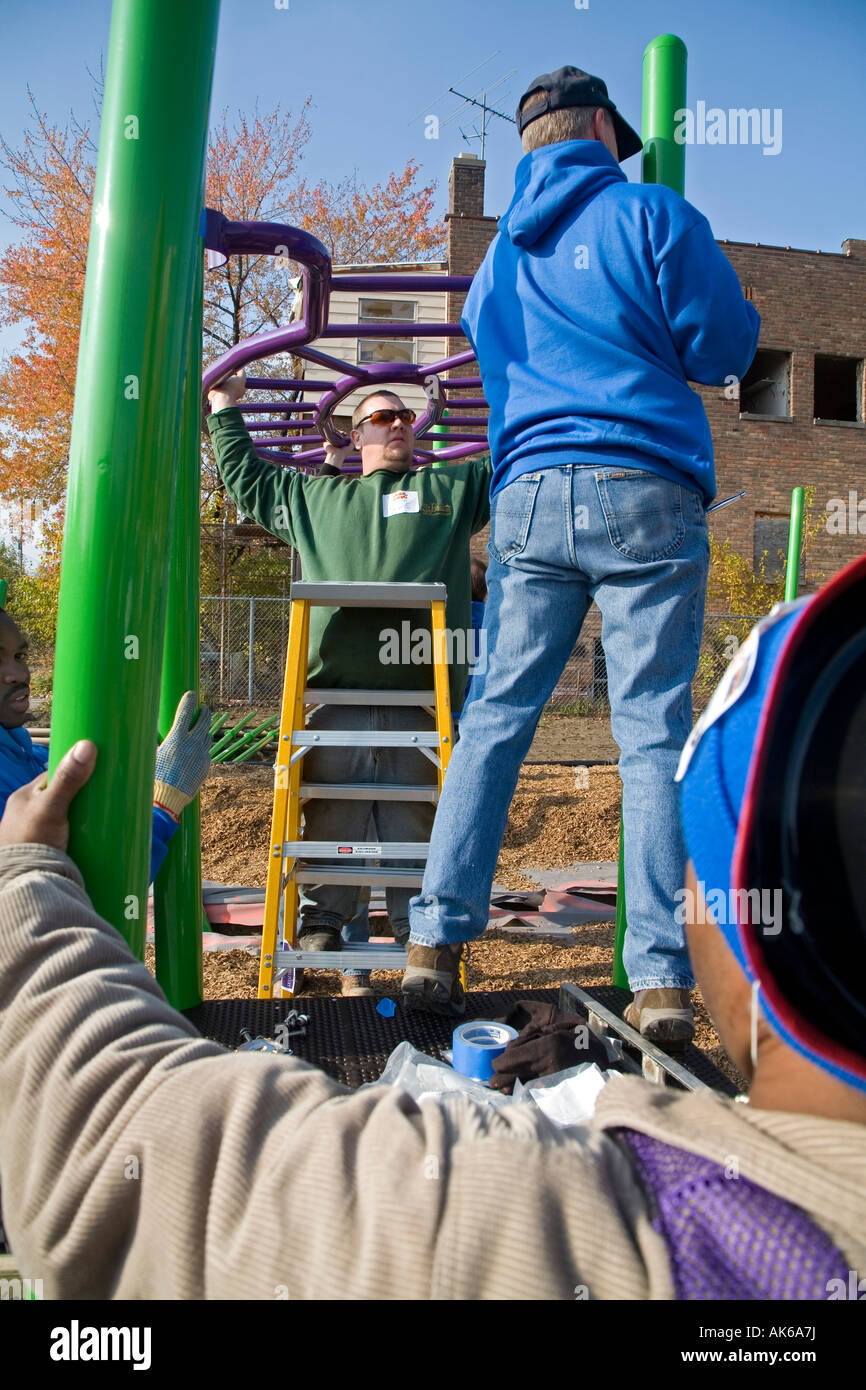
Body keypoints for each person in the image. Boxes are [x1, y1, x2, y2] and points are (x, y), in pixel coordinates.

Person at [1, 554, 866, 1299]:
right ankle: (385, 943)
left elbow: (111, 1139)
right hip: (356, 692)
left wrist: (29, 878)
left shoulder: (541, 1227)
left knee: (470, 751)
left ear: (732, 920)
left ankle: (424, 943)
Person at [404, 65, 761, 1027]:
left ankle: (434, 943)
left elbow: (501, 370)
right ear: (603, 126)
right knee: (649, 733)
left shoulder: (495, 269)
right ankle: (656, 983)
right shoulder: (652, 214)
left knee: (495, 720)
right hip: (641, 484)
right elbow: (724, 349)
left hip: (525, 500)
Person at [206, 373, 491, 982]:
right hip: (332, 700)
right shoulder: (318, 501)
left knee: (418, 827)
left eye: (406, 417)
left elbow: (515, 463)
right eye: (383, 417)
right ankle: (323, 926)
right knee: (332, 815)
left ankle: (423, 939)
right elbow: (248, 481)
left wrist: (510, 376)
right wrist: (226, 408)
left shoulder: (449, 487)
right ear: (357, 433)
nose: (397, 424)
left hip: (424, 703)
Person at [0, 605, 211, 882]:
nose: (18, 674)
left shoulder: (34, 755)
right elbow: (78, 895)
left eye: (20, 656)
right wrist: (163, 804)